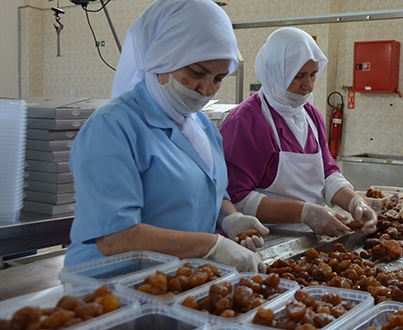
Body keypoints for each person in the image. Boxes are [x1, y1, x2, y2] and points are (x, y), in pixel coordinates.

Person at [65, 0, 268, 273]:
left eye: (219, 78)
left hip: (176, 284)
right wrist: (211, 246)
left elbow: (211, 193)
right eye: (197, 72)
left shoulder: (204, 129)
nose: (207, 89)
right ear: (162, 57)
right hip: (108, 291)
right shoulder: (112, 127)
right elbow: (115, 237)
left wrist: (230, 217)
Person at [219, 27, 377, 237]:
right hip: (264, 238)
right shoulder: (246, 122)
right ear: (275, 72)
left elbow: (328, 174)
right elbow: (237, 199)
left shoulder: (311, 116)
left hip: (314, 235)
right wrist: (304, 213)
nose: (308, 85)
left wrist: (355, 203)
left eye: (313, 74)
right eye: (299, 76)